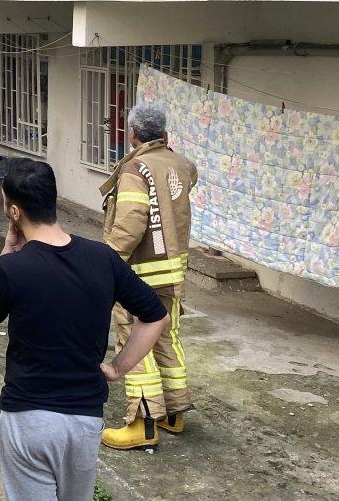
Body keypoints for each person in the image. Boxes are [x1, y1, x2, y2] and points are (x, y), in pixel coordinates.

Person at [0, 159, 169, 501]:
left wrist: (7, 249)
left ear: (15, 212)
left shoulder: (11, 268)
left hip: (28, 418)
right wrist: (117, 367)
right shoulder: (103, 258)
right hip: (84, 420)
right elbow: (155, 316)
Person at [99, 102, 197, 451]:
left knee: (133, 343)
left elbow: (131, 223)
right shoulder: (182, 164)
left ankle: (142, 424)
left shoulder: (135, 170)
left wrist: (105, 263)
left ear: (133, 135)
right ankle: (174, 413)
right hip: (172, 271)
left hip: (139, 273)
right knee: (166, 337)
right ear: (164, 133)